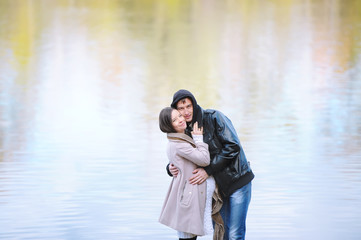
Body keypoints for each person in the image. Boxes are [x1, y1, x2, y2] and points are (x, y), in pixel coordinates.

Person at [167, 89, 254, 240]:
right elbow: (180, 153)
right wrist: (169, 168)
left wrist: (208, 170)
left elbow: (233, 146)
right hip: (217, 189)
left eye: (188, 106)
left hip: (237, 182)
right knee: (221, 233)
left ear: (194, 104)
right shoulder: (183, 129)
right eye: (181, 109)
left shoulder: (214, 117)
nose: (186, 112)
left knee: (234, 234)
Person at [158, 107, 216, 240]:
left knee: (187, 236)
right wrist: (199, 139)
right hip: (188, 197)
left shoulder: (179, 140)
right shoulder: (179, 144)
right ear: (169, 125)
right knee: (187, 237)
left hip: (187, 195)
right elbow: (204, 160)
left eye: (179, 116)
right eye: (174, 119)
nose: (180, 120)